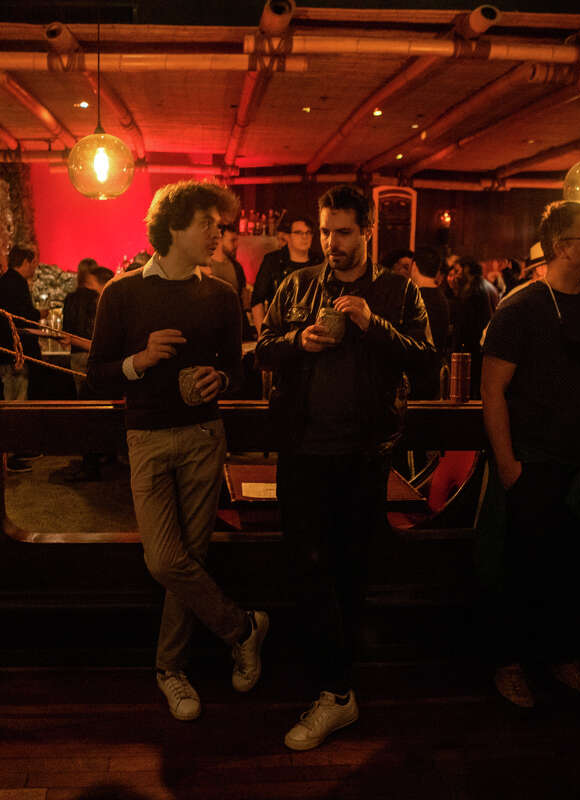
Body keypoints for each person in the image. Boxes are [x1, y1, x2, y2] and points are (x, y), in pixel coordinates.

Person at [257, 185, 434, 750]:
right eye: (326, 231)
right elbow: (261, 349)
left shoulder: (397, 290)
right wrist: (296, 341)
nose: (331, 243)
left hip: (365, 454)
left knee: (351, 569)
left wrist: (369, 322)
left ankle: (336, 682)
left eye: (344, 232)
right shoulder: (297, 285)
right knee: (306, 566)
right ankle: (335, 690)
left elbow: (426, 360)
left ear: (367, 232)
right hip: (303, 448)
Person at [86, 180, 267, 723]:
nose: (219, 233)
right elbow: (96, 375)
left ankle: (170, 670)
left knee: (191, 558)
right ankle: (243, 627)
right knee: (166, 559)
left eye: (219, 223)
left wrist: (221, 380)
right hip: (144, 436)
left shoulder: (222, 293)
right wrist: (139, 361)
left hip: (205, 436)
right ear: (173, 227)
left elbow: (237, 369)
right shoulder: (121, 293)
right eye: (208, 223)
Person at [480, 200, 580, 709]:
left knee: (576, 567)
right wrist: (507, 464)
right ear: (564, 247)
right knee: (520, 568)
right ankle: (509, 663)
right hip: (535, 459)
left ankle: (562, 658)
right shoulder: (520, 307)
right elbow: (493, 391)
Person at [61, 265, 114, 482]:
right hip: (105, 368)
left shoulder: (106, 305)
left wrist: (72, 340)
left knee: (88, 412)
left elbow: (101, 346)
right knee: (97, 413)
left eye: (92, 286)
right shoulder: (105, 305)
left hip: (101, 369)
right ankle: (104, 457)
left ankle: (91, 465)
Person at [0, 243, 42, 402]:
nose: (34, 269)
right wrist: (38, 314)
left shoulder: (5, 280)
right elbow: (21, 316)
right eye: (33, 264)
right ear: (25, 262)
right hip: (13, 353)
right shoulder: (18, 282)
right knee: (16, 399)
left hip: (4, 351)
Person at [251, 215, 322, 335]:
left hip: (311, 331)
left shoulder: (319, 261)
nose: (304, 237)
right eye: (298, 233)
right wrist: (262, 335)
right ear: (288, 236)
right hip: (279, 331)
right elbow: (257, 300)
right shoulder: (273, 261)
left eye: (308, 233)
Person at [451, 258, 495, 399]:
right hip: (483, 346)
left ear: (467, 269)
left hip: (472, 349)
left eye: (458, 271)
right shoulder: (488, 286)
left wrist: (456, 347)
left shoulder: (472, 290)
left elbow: (465, 325)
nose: (456, 275)